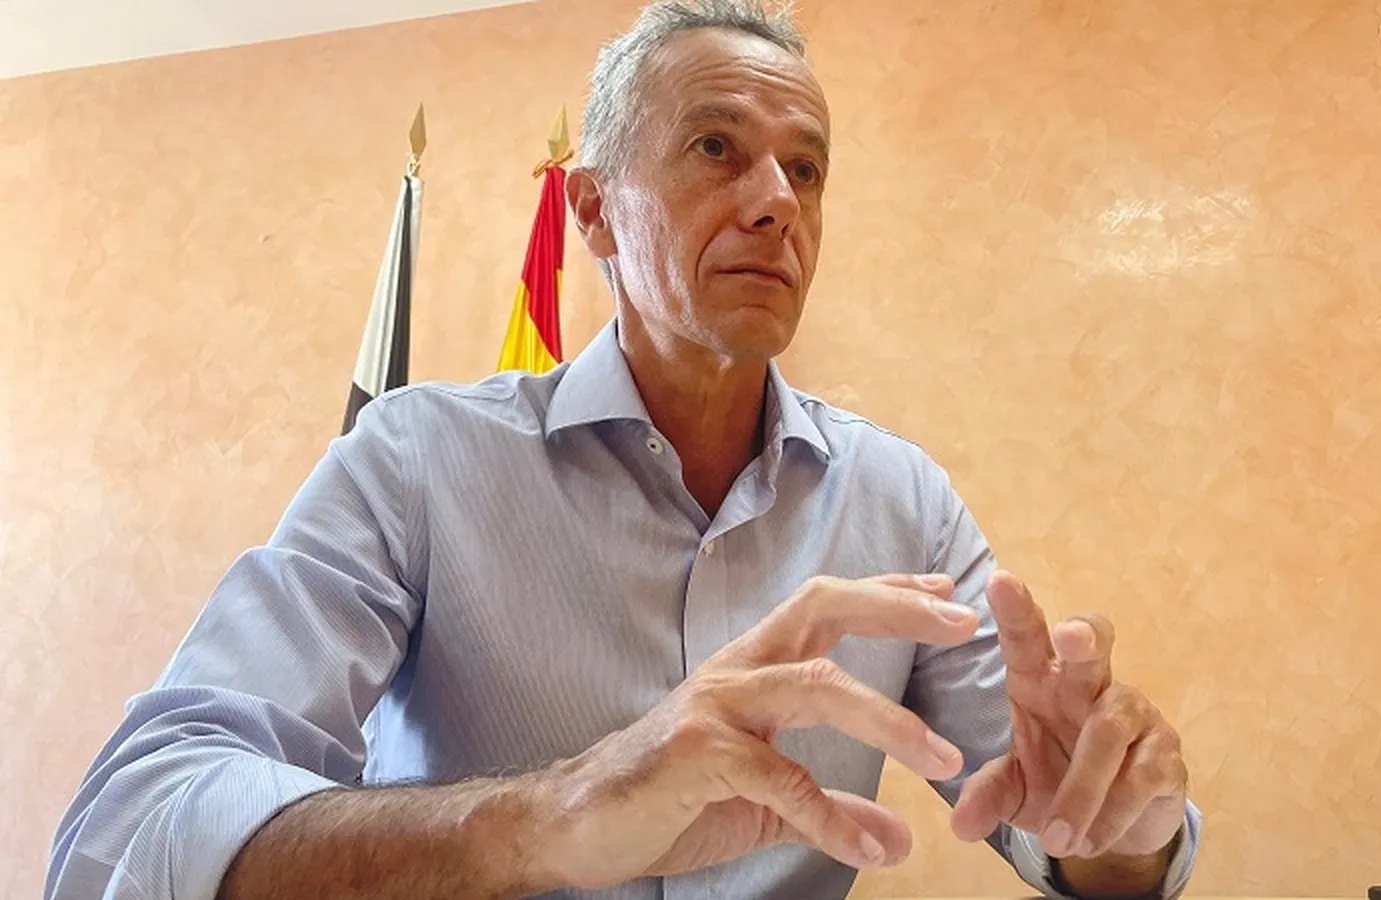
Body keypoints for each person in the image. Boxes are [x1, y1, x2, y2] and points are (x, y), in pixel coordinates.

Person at [45, 2, 1203, 898]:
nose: (776, 202)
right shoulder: (414, 461)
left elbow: (1071, 839)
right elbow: (136, 825)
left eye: (805, 168)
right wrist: (554, 814)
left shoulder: (902, 499)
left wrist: (1121, 827)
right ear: (594, 212)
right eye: (717, 147)